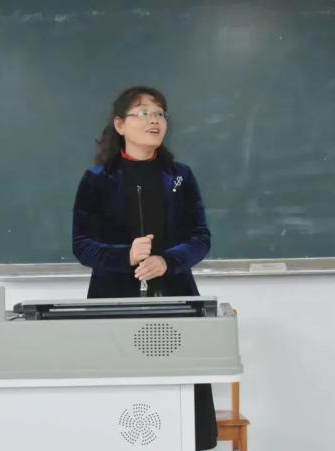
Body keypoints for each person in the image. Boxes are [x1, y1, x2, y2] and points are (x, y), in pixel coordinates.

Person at [72, 86, 216, 450]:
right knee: (117, 410)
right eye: (143, 113)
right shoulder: (97, 179)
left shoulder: (179, 176)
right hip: (113, 305)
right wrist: (126, 256)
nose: (154, 120)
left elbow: (200, 237)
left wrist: (167, 261)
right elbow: (82, 245)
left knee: (182, 411)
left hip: (176, 301)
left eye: (160, 114)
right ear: (120, 125)